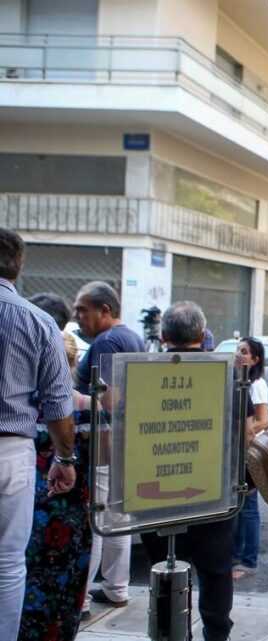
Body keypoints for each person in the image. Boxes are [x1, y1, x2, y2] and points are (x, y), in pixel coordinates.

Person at [140, 302, 236, 641]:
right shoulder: (225, 374)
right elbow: (240, 433)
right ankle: (217, 634)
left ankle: (171, 633)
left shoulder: (142, 373)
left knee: (165, 570)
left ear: (164, 336)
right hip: (212, 490)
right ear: (203, 334)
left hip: (156, 491)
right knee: (216, 574)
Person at [0, 229, 77, 641]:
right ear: (19, 266)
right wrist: (65, 459)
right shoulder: (38, 321)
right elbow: (58, 406)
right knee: (7, 564)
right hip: (11, 452)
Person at [71, 281, 144, 615]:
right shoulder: (132, 337)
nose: (77, 316)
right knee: (116, 517)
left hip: (103, 441)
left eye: (82, 310)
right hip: (124, 440)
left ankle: (82, 599)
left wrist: (75, 398)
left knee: (97, 522)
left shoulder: (107, 341)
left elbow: (110, 401)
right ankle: (116, 589)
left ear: (105, 310)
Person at [231, 337, 268, 580]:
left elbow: (263, 420)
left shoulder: (256, 384)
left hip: (249, 452)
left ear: (255, 359)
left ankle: (249, 561)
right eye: (238, 349)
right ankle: (236, 555)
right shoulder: (236, 381)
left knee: (249, 507)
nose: (238, 354)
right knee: (238, 506)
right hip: (238, 450)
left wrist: (243, 434)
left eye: (244, 351)